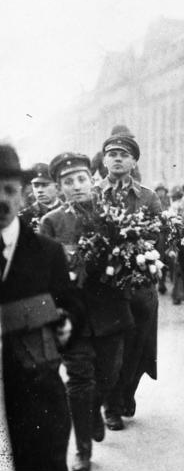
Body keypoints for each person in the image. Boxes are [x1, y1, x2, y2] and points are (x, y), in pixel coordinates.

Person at [40, 152, 135, 471]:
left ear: (92, 179)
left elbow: (132, 257)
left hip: (111, 312)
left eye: (81, 179)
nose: (76, 186)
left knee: (109, 376)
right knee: (79, 381)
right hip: (72, 317)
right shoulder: (51, 222)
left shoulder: (114, 214)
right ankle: (82, 451)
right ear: (59, 187)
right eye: (68, 182)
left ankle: (94, 409)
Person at [1, 144, 74, 471]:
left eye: (8, 189)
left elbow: (71, 306)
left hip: (36, 393)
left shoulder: (47, 253)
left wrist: (68, 323)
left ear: (22, 194)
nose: (1, 200)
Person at [96, 133, 162, 431]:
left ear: (134, 161)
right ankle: (111, 405)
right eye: (112, 154)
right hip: (108, 288)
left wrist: (146, 252)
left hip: (141, 285)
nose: (118, 158)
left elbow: (162, 235)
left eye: (124, 154)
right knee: (112, 348)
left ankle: (127, 392)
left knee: (139, 345)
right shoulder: (94, 195)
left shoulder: (148, 197)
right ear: (105, 160)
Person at [18, 162, 62, 229]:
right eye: (36, 186)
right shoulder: (24, 217)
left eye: (45, 185)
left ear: (57, 187)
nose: (39, 190)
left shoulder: (71, 212)